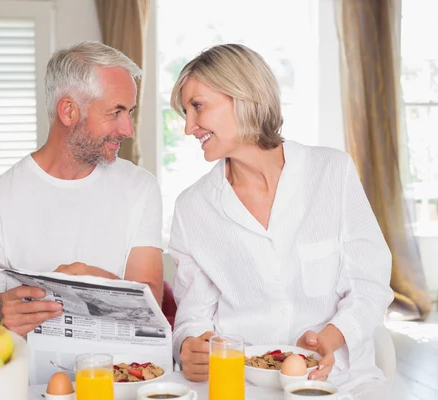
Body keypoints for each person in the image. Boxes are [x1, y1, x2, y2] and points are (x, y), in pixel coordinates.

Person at [167, 43, 393, 396]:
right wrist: (189, 345)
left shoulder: (332, 172)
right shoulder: (191, 208)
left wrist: (326, 340)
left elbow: (370, 284)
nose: (188, 128)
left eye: (197, 107)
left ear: (245, 97)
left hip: (342, 382)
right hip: (241, 386)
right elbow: (193, 317)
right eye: (185, 112)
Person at [0, 41, 164, 337]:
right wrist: (1, 320)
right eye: (116, 112)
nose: (127, 130)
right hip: (30, 379)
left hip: (117, 373)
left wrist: (87, 281)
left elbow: (151, 302)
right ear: (68, 111)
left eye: (129, 112)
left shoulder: (140, 187)